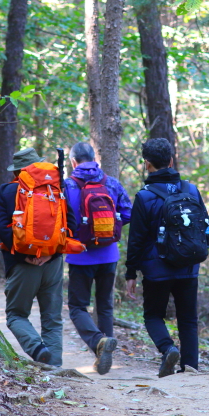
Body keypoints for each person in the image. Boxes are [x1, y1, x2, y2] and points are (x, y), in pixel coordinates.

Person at [125, 138, 209, 377]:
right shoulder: (191, 189)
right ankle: (191, 367)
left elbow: (137, 239)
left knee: (153, 315)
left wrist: (131, 272)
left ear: (147, 164)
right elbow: (205, 226)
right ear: (171, 160)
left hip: (156, 269)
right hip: (188, 265)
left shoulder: (144, 197)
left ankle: (168, 348)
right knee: (188, 319)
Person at [0, 147, 76, 366]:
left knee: (16, 315)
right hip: (53, 263)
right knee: (52, 319)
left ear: (17, 171)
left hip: (22, 266)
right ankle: (55, 366)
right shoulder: (57, 188)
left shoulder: (7, 191)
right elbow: (71, 225)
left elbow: (2, 228)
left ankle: (38, 350)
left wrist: (25, 256)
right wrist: (51, 254)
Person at [64, 142, 133, 374]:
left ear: (73, 161)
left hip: (79, 254)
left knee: (76, 307)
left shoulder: (67, 185)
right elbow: (128, 212)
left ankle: (97, 343)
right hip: (109, 254)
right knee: (105, 306)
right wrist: (108, 228)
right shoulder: (111, 182)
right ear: (95, 158)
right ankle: (107, 351)